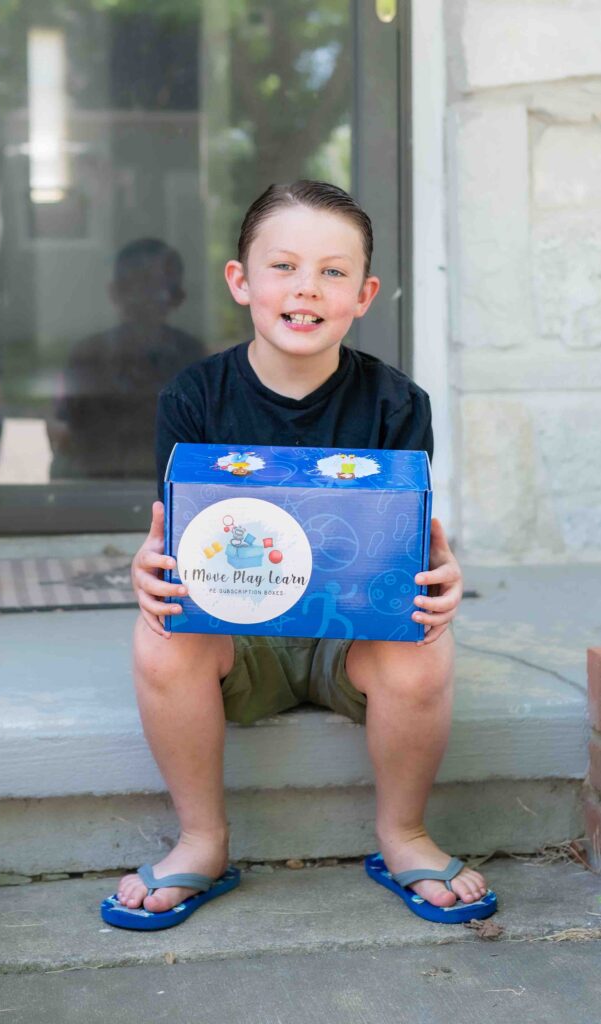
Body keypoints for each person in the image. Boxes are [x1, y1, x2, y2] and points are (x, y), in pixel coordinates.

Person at [101, 180, 497, 931]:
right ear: (240, 281)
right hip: (239, 644)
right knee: (157, 636)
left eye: (332, 271)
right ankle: (202, 838)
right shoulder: (194, 397)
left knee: (425, 643)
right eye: (282, 266)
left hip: (348, 647)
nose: (305, 288)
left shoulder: (396, 404)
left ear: (364, 293)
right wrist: (147, 570)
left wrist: (438, 581)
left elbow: (404, 547)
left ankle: (403, 832)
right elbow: (176, 539)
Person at [48, 238, 205, 480]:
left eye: (164, 287)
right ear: (116, 292)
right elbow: (63, 435)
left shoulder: (192, 356)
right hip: (98, 491)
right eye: (141, 286)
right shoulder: (88, 356)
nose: (153, 297)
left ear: (177, 296)